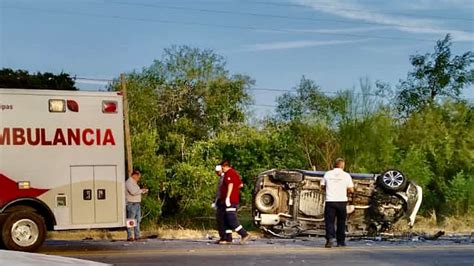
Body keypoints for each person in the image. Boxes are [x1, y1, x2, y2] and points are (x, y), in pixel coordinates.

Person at [321, 158, 354, 248]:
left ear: (334, 165)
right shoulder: (346, 175)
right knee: (341, 222)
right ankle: (341, 241)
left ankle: (329, 239)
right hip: (342, 201)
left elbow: (322, 186)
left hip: (330, 201)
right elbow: (351, 190)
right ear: (343, 165)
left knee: (329, 221)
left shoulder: (327, 174)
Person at [219, 160, 251, 244]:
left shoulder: (230, 173)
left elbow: (230, 184)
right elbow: (240, 184)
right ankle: (228, 238)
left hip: (231, 201)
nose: (221, 169)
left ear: (225, 166)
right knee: (225, 219)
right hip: (229, 200)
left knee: (231, 218)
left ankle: (244, 234)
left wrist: (228, 197)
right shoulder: (233, 173)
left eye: (221, 167)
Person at [125, 170, 148, 241]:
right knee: (131, 220)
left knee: (137, 220)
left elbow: (136, 191)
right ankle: (129, 236)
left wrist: (141, 191)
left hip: (137, 204)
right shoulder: (129, 182)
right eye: (138, 177)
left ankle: (137, 235)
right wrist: (141, 191)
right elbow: (133, 192)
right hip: (132, 204)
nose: (139, 178)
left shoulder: (134, 183)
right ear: (134, 175)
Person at [212, 164, 232, 244]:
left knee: (221, 219)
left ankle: (224, 237)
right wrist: (215, 201)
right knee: (225, 219)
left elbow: (221, 191)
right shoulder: (222, 178)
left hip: (223, 201)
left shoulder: (224, 178)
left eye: (218, 172)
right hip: (221, 200)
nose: (217, 173)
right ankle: (228, 237)